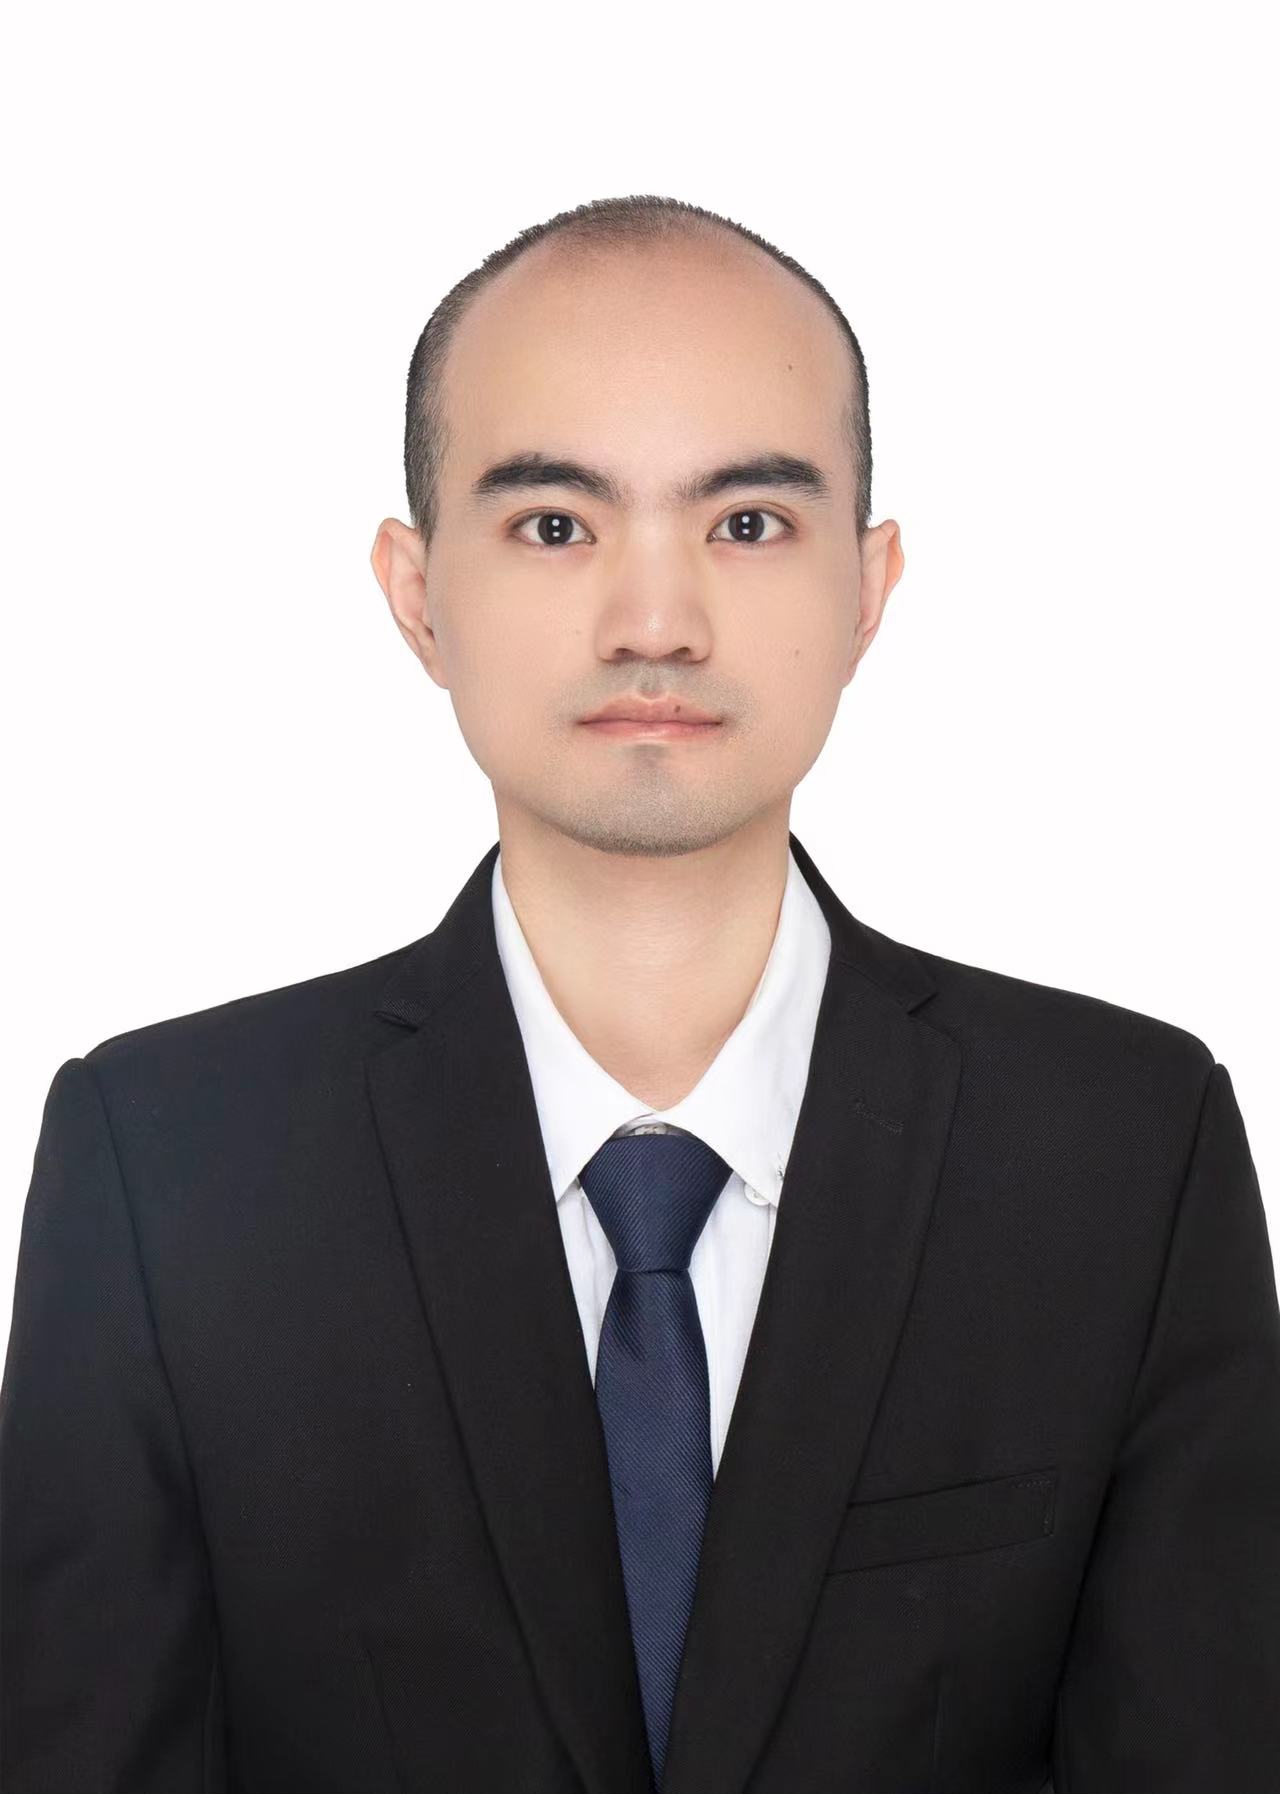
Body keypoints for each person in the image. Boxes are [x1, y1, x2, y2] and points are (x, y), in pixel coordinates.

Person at [2, 193, 1277, 1794]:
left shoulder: (1125, 1154)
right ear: (417, 591)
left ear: (869, 585)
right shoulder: (167, 1162)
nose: (655, 622)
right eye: (556, 525)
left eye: (748, 523)